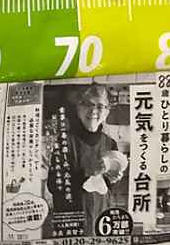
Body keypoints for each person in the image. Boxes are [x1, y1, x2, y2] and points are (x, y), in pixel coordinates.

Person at [45, 85, 127, 236]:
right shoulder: (65, 141)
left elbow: (107, 188)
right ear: (79, 108)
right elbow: (53, 185)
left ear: (107, 111)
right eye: (88, 104)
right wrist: (88, 171)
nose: (93, 111)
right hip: (71, 224)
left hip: (101, 220)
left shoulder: (111, 143)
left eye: (100, 106)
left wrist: (113, 179)